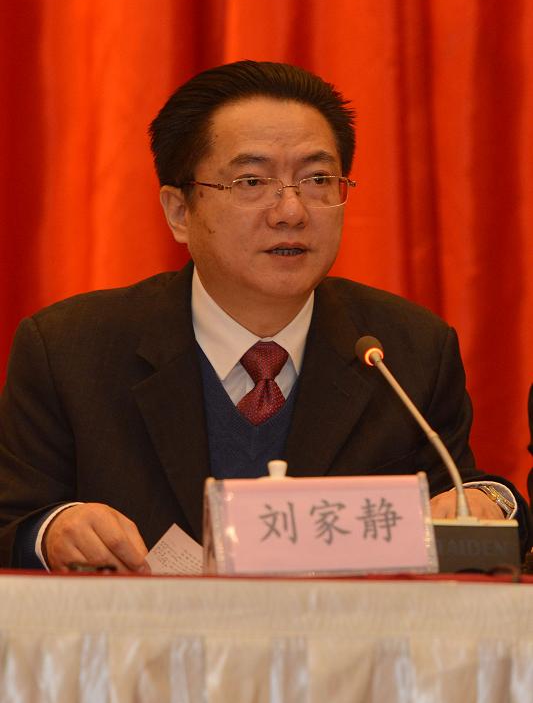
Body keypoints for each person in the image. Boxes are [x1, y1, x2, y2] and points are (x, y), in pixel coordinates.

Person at [0, 61, 530, 572]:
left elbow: (460, 506)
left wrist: (492, 502)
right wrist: (51, 532)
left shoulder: (406, 349)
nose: (291, 211)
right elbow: (12, 521)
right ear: (180, 211)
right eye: (251, 182)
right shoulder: (69, 351)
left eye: (318, 179)